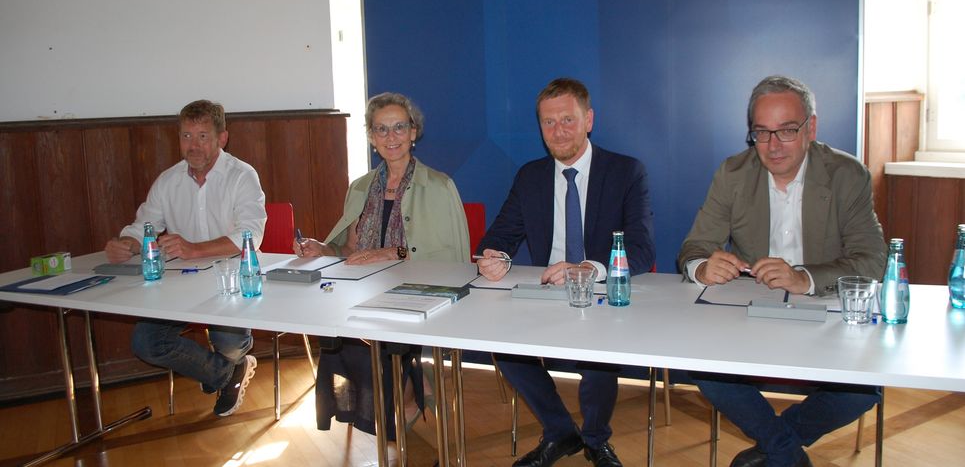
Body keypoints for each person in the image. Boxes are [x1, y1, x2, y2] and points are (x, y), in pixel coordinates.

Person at [678, 75, 886, 467]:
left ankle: (772, 449)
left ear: (811, 127)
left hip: (824, 315)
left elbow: (872, 261)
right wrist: (703, 266)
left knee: (862, 389)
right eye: (762, 132)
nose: (773, 146)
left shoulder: (846, 175)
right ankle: (784, 453)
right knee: (706, 369)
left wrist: (804, 277)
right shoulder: (733, 173)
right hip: (751, 314)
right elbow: (693, 247)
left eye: (787, 131)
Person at [477, 77, 656, 467]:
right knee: (505, 347)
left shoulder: (626, 172)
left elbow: (641, 250)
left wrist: (588, 268)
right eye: (548, 122)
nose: (558, 131)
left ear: (589, 119)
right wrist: (494, 256)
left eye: (568, 120)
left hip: (603, 292)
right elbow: (501, 236)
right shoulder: (530, 176)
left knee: (599, 357)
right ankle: (560, 432)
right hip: (548, 292)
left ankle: (594, 439)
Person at [295, 92, 470, 440]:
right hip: (366, 289)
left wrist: (395, 253)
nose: (391, 137)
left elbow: (455, 261)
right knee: (336, 338)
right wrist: (321, 248)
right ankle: (410, 388)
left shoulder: (440, 186)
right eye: (381, 130)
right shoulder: (360, 187)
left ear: (413, 133)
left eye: (399, 128)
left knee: (373, 344)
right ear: (372, 138)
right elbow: (348, 249)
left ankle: (400, 408)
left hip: (417, 295)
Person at [104, 99, 267, 417]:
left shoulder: (242, 176)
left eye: (203, 136)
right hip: (181, 283)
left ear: (222, 138)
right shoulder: (168, 180)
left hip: (234, 279)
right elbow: (143, 227)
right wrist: (126, 243)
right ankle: (224, 373)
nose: (193, 145)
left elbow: (250, 236)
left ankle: (226, 363)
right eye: (186, 136)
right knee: (146, 343)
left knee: (229, 342)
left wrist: (194, 248)